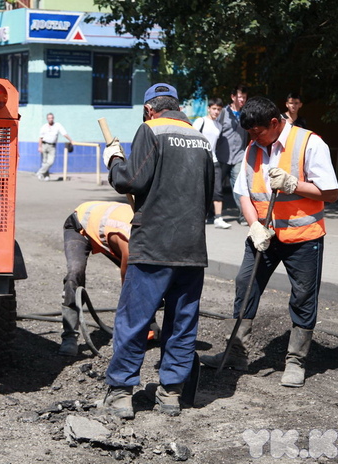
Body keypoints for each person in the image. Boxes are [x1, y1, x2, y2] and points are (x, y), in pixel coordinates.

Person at [200, 96, 338, 388]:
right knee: (244, 286)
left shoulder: (309, 144)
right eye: (249, 132)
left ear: (274, 123)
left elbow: (331, 193)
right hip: (265, 236)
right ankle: (235, 352)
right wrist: (254, 226)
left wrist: (293, 184)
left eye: (257, 132)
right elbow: (243, 194)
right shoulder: (253, 149)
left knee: (302, 297)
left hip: (303, 238)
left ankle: (295, 361)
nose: (253, 137)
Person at [98, 83, 214, 418]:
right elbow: (207, 197)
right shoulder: (201, 139)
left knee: (135, 320)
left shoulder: (150, 130)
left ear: (150, 109)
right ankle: (170, 395)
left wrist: (116, 161)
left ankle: (120, 394)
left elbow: (130, 182)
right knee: (181, 323)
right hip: (192, 249)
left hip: (153, 246)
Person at [59, 201, 160, 356]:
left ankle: (148, 325)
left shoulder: (156, 233)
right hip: (79, 225)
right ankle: (69, 336)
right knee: (75, 272)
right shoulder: (130, 239)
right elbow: (129, 284)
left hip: (106, 229)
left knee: (146, 273)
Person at [194, 97, 231, 229]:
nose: (216, 112)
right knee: (200, 189)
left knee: (217, 189)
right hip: (200, 160)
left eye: (219, 110)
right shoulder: (200, 121)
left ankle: (218, 218)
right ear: (209, 108)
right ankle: (199, 216)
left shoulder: (219, 126)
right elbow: (191, 137)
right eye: (214, 109)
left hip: (214, 160)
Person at [215, 85, 248, 225]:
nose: (242, 100)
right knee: (215, 186)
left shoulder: (246, 113)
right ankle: (211, 213)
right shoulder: (223, 112)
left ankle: (244, 215)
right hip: (222, 155)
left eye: (244, 97)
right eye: (240, 97)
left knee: (240, 186)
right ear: (233, 97)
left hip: (239, 156)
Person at [36, 113, 73, 181]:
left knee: (50, 162)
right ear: (47, 119)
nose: (51, 119)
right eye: (49, 118)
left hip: (52, 146)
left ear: (53, 118)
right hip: (44, 144)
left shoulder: (57, 125)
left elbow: (64, 133)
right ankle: (46, 176)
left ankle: (40, 172)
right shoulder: (44, 127)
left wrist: (71, 140)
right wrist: (40, 147)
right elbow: (40, 138)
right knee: (44, 162)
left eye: (52, 118)